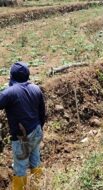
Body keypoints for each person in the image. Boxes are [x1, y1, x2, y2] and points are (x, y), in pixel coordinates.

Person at [0, 62, 46, 190]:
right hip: (36, 130)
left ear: (12, 75)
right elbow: (42, 112)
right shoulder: (36, 88)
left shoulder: (10, 92)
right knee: (35, 159)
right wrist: (39, 128)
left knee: (20, 167)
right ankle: (39, 186)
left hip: (22, 136)